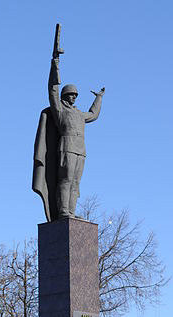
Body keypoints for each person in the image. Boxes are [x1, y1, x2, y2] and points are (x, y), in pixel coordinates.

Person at [48, 57, 105, 218]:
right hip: (67, 147)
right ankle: (63, 211)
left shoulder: (79, 114)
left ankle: (71, 212)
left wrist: (98, 98)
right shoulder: (60, 110)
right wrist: (55, 68)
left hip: (80, 149)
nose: (74, 97)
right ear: (65, 96)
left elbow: (93, 114)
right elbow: (52, 91)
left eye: (75, 95)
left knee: (76, 183)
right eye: (71, 94)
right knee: (65, 180)